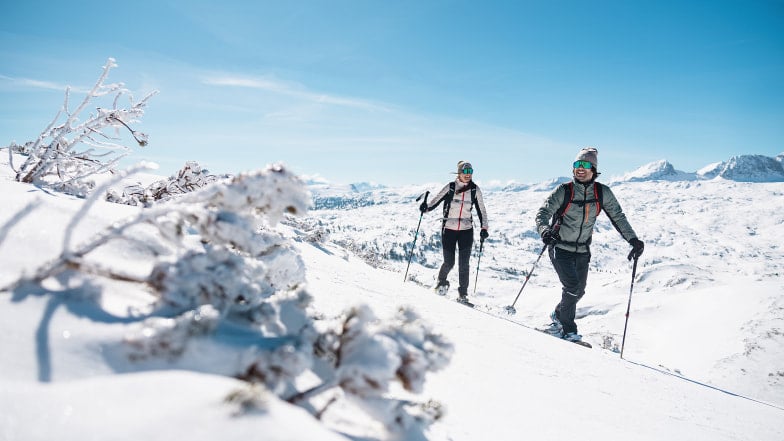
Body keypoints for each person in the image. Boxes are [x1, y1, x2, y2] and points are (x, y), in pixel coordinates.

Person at [535, 148, 644, 342]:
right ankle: (568, 331)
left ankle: (558, 316)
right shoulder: (564, 191)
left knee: (579, 290)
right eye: (577, 165)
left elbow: (618, 217)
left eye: (585, 165)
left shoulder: (602, 193)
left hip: (583, 250)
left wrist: (633, 240)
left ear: (593, 169)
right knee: (572, 286)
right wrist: (545, 231)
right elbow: (543, 213)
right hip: (559, 247)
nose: (580, 169)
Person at [420, 160, 489, 305]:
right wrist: (425, 208)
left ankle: (463, 295)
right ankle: (441, 283)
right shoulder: (450, 187)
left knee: (464, 265)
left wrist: (484, 228)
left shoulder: (475, 190)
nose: (468, 175)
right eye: (465, 171)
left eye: (470, 172)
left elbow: (481, 210)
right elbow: (435, 201)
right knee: (449, 262)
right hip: (449, 230)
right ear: (459, 172)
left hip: (466, 231)